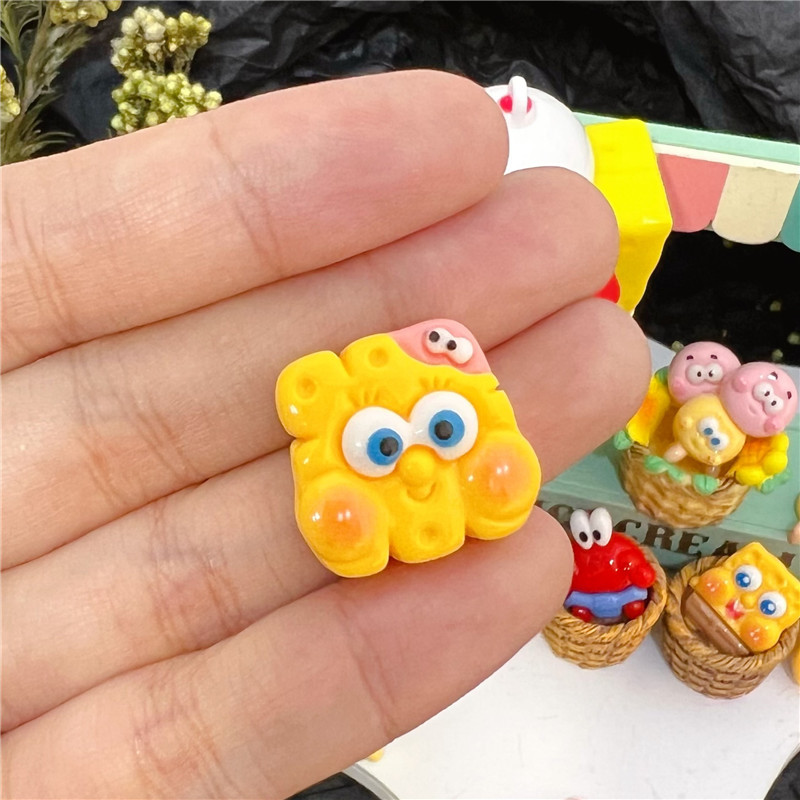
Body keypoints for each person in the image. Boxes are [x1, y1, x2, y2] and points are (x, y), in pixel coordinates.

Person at [1, 69, 649, 798]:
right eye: (389, 445)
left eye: (439, 429)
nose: (415, 465)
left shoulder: (464, 409)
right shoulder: (334, 424)